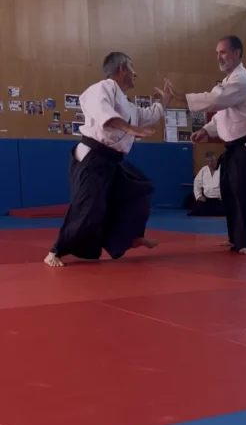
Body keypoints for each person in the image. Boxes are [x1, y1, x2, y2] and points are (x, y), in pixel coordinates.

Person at [44, 53, 170, 268]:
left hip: (113, 160)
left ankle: (131, 237)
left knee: (139, 191)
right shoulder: (103, 88)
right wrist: (130, 128)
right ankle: (56, 251)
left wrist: (165, 100)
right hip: (93, 156)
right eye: (132, 68)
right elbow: (102, 112)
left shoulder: (127, 105)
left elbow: (149, 115)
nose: (135, 74)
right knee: (89, 207)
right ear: (122, 69)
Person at [164, 36, 246, 255]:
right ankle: (236, 237)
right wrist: (205, 130)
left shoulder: (242, 79)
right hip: (234, 146)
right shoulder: (227, 81)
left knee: (245, 191)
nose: (219, 57)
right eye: (217, 53)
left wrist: (182, 97)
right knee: (230, 191)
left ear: (237, 53)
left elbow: (215, 101)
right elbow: (222, 114)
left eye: (223, 52)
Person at [188, 151, 225, 216]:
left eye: (212, 161)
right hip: (207, 199)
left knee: (223, 210)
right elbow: (197, 183)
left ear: (216, 160)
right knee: (196, 209)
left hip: (220, 199)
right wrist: (199, 196)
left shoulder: (223, 169)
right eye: (208, 161)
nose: (210, 163)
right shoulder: (204, 170)